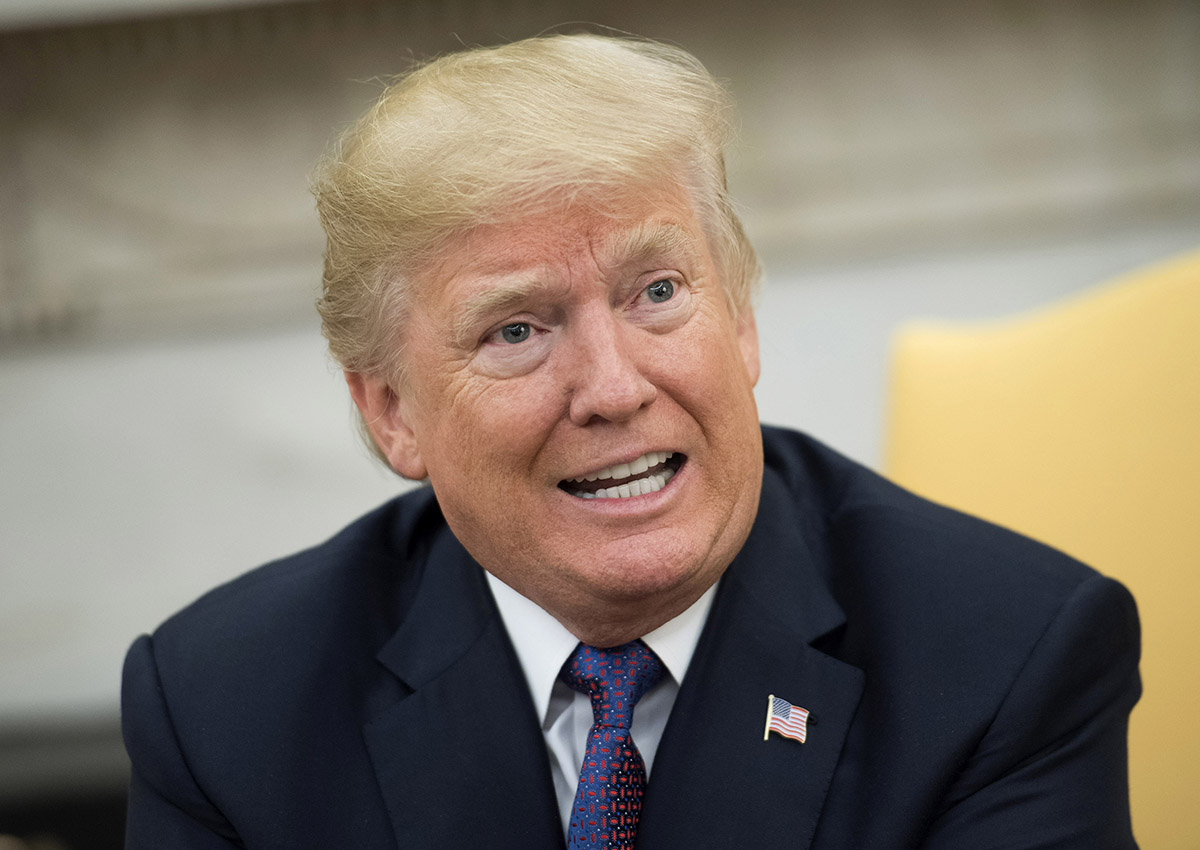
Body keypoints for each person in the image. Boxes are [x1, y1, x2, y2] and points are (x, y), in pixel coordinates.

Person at [120, 33, 1141, 849]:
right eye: (517, 329)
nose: (613, 388)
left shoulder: (1009, 656)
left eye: (657, 292)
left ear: (740, 319)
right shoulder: (221, 709)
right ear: (392, 411)